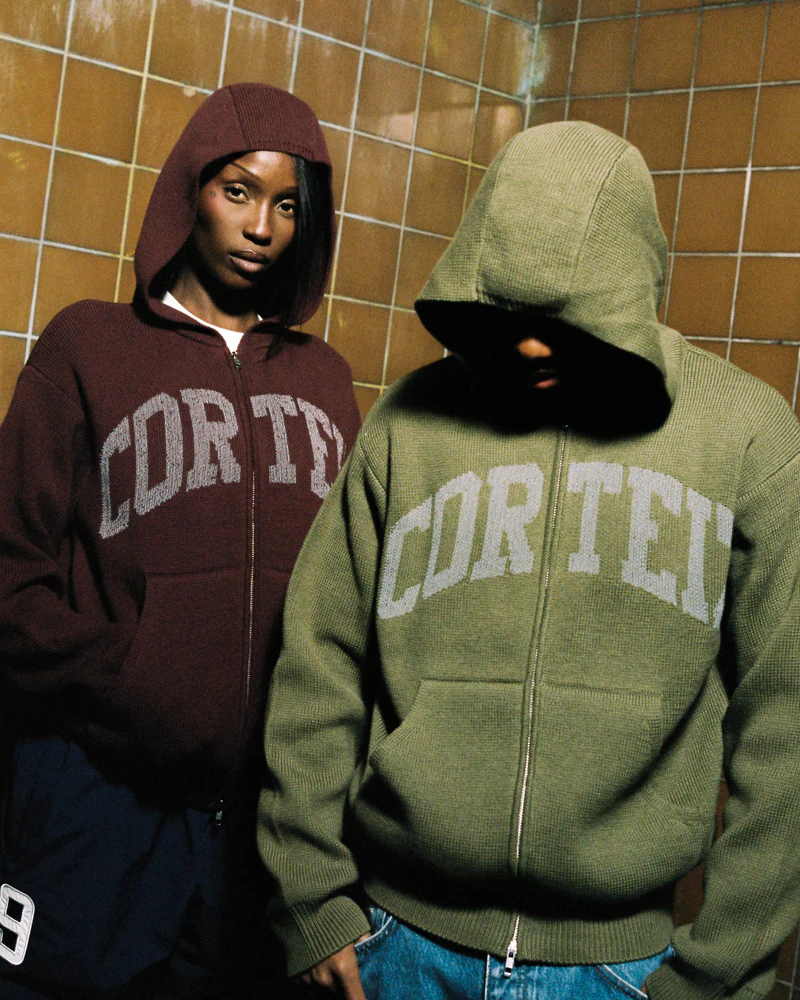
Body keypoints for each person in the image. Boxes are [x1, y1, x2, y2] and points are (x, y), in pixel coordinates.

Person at [257, 121, 800, 1000]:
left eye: (566, 318)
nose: (534, 346)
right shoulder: (409, 423)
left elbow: (786, 727)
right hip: (398, 945)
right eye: (508, 315)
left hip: (620, 970)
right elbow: (320, 658)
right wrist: (310, 898)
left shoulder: (745, 437)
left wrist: (717, 975)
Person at [0, 82, 360, 998]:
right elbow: (10, 581)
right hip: (97, 805)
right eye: (238, 191)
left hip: (261, 836)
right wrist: (137, 679)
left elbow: (350, 595)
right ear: (188, 191)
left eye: (288, 205)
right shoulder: (88, 346)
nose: (261, 227)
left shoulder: (325, 381)